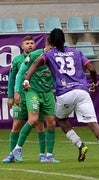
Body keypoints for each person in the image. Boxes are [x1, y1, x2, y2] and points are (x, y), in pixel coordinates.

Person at [23, 28, 99, 170]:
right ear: (64, 39)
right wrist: (95, 84)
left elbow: (35, 64)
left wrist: (27, 80)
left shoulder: (49, 55)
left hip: (65, 93)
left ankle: (80, 144)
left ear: (50, 41)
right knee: (94, 125)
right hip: (82, 91)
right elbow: (92, 69)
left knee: (60, 120)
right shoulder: (76, 52)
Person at [12, 35, 59, 163]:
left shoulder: (55, 57)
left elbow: (56, 76)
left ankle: (49, 155)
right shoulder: (34, 56)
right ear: (47, 45)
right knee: (33, 118)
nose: (55, 49)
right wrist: (16, 91)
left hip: (47, 92)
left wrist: (58, 90)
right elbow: (20, 73)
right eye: (53, 47)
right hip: (32, 91)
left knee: (51, 122)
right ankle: (17, 148)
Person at [2, 36, 45, 163]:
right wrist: (11, 95)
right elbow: (12, 79)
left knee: (39, 125)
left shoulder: (40, 59)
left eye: (32, 43)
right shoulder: (17, 60)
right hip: (20, 97)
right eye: (27, 43)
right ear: (22, 46)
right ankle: (12, 154)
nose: (30, 45)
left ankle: (43, 155)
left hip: (35, 95)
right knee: (16, 125)